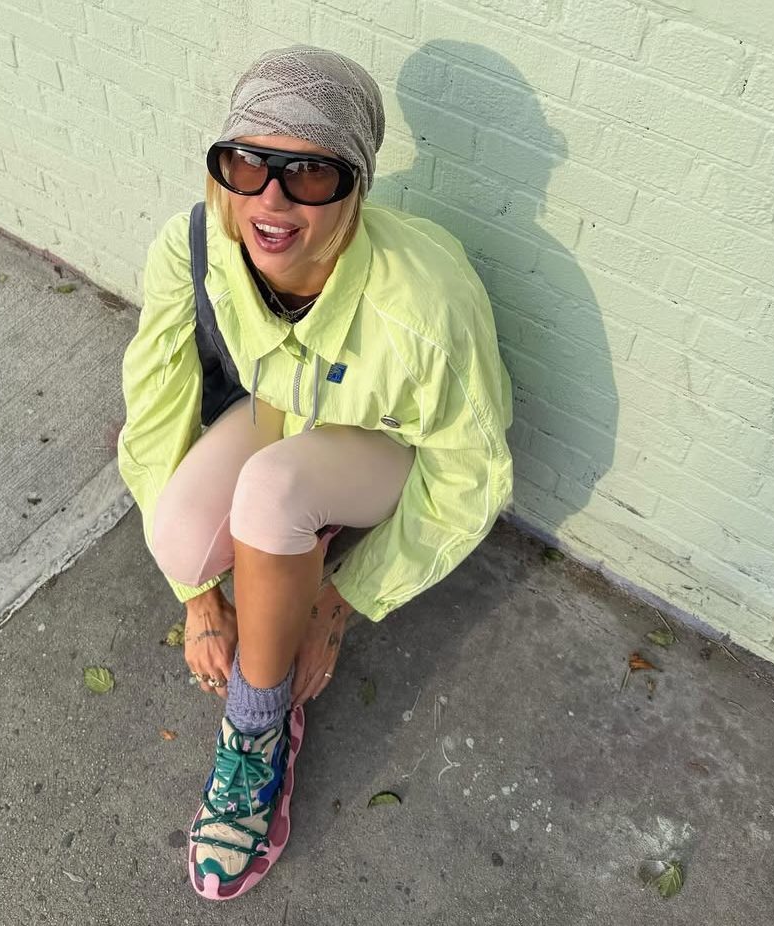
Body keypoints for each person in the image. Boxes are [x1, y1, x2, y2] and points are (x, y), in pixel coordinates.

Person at [117, 45, 513, 901]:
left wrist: (343, 602)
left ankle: (257, 733)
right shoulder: (194, 248)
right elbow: (153, 413)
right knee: (180, 541)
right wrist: (197, 598)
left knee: (274, 493)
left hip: (383, 449)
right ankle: (289, 545)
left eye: (309, 174)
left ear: (356, 188)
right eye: (247, 163)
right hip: (283, 410)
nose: (270, 200)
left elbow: (469, 475)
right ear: (221, 171)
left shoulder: (425, 303)